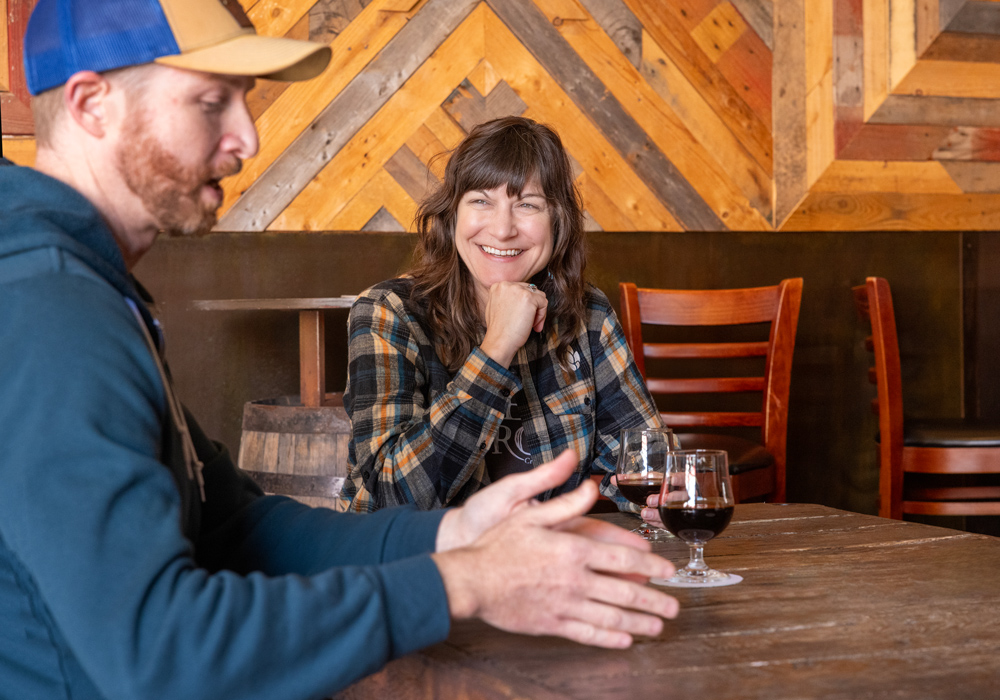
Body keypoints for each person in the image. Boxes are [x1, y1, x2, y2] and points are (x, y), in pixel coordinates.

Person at [0, 1, 681, 699]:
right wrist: (462, 580)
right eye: (211, 102)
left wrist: (449, 536)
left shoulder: (89, 289)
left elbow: (236, 528)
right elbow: (160, 653)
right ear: (92, 104)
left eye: (243, 100)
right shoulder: (47, 308)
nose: (248, 137)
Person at [340, 116, 665, 514]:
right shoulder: (388, 312)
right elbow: (392, 498)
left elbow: (643, 460)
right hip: (416, 551)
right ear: (452, 215)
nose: (503, 229)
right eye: (481, 201)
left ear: (557, 221)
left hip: (537, 548)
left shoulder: (585, 312)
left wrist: (661, 498)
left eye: (527, 204)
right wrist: (496, 349)